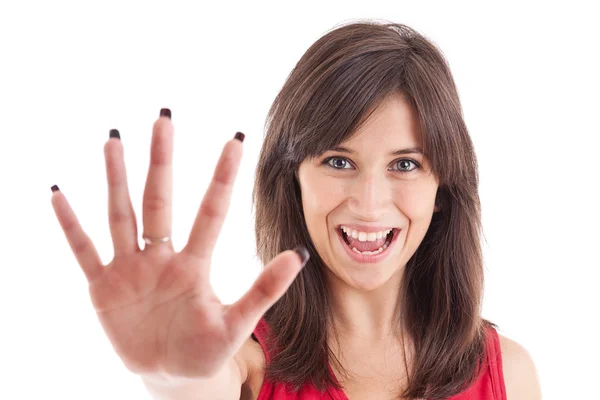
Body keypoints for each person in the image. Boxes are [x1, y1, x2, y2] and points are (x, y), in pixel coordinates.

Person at [50, 21, 542, 400]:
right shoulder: (247, 366)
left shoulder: (509, 374)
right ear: (293, 179)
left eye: (406, 164)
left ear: (443, 189)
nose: (369, 202)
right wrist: (169, 372)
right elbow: (200, 382)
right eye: (339, 161)